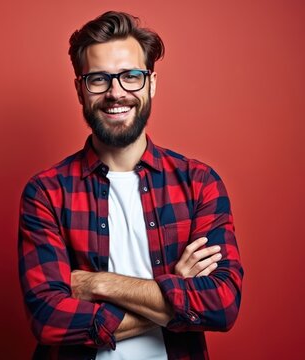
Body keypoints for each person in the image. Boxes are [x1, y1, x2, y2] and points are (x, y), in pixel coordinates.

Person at [17, 11, 243, 360]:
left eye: (131, 76)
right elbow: (48, 319)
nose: (116, 92)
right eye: (99, 79)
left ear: (151, 83)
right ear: (80, 89)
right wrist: (175, 289)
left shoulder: (199, 183)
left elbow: (221, 304)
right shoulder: (47, 192)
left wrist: (98, 283)